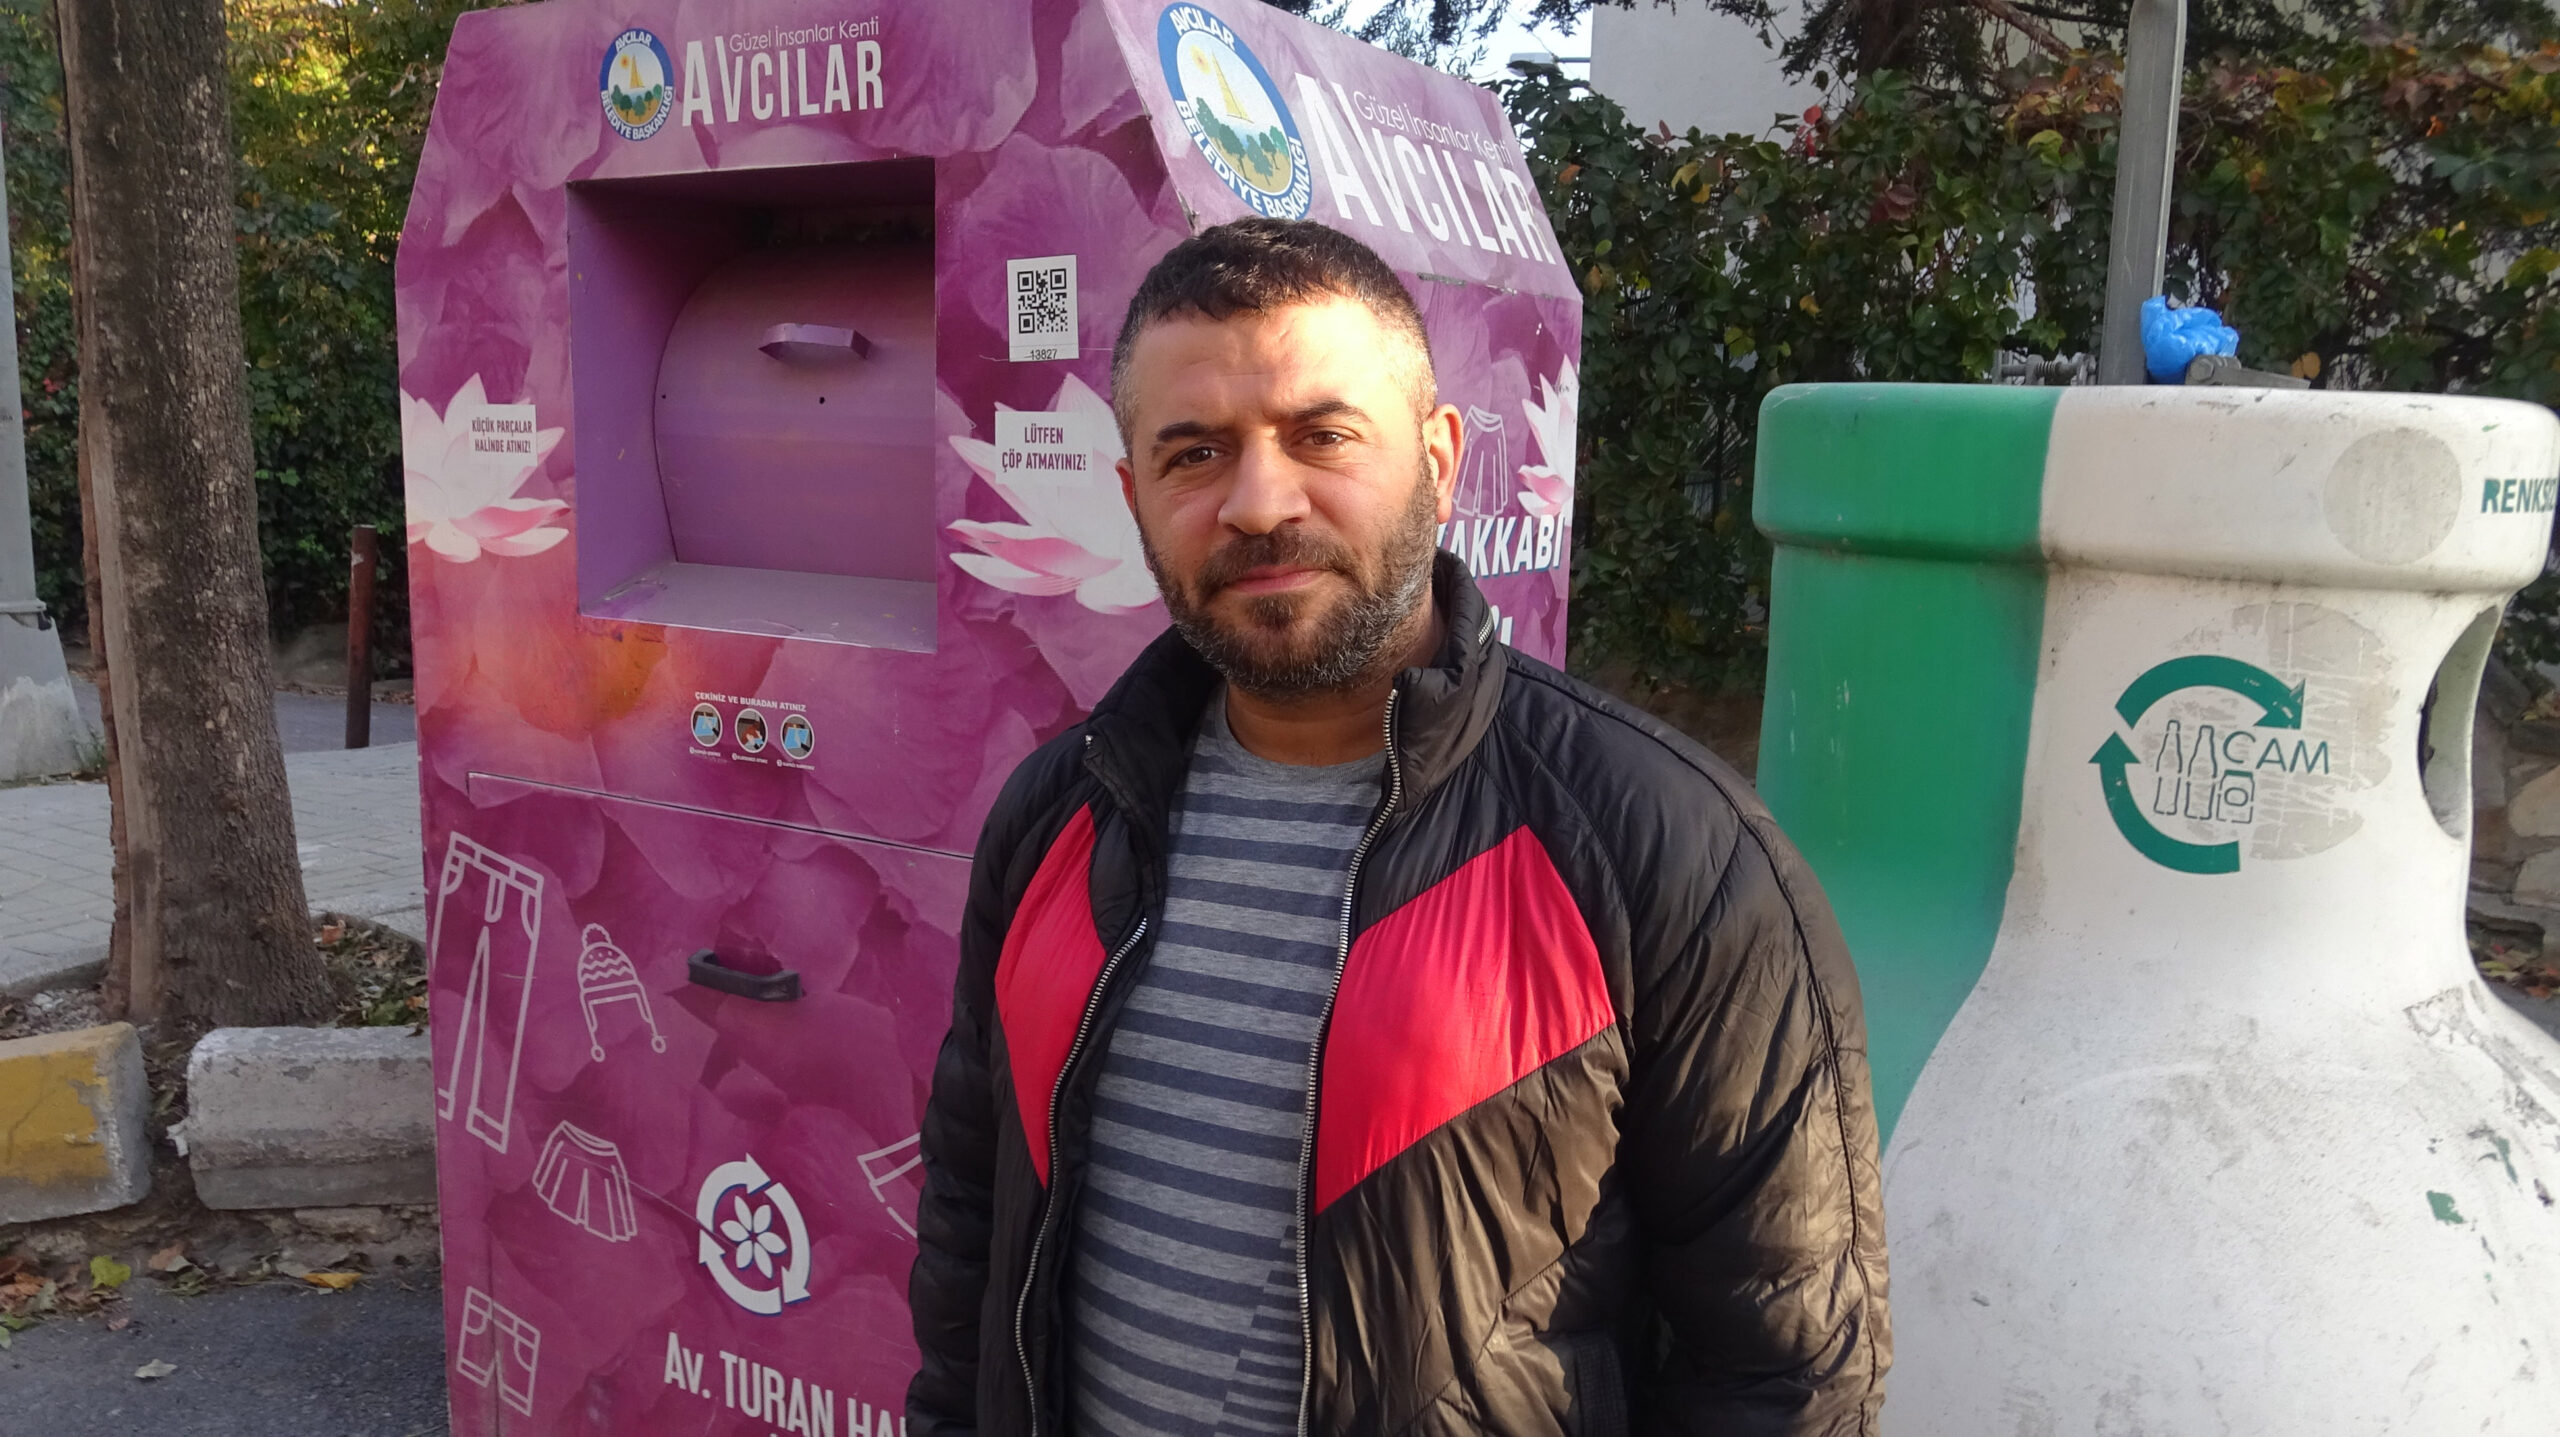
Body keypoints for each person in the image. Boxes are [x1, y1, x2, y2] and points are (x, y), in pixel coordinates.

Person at [908, 218, 1888, 1437]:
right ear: (1135, 498)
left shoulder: (1671, 854)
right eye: (1195, 454)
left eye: (1322, 435)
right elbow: (971, 1225)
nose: (1258, 503)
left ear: (1439, 459)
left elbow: (1785, 1370)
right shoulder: (1056, 818)